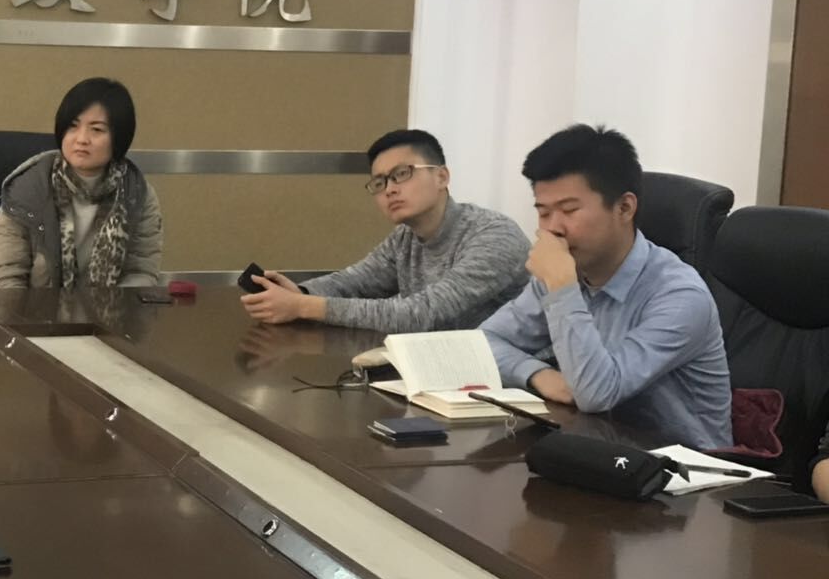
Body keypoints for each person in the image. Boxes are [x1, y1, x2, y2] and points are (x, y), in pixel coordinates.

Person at [480, 124, 731, 450]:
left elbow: (597, 393)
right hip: (598, 448)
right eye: (543, 213)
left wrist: (561, 288)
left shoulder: (680, 295)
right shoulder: (566, 271)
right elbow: (482, 343)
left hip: (684, 468)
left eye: (569, 210)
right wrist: (536, 374)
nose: (553, 228)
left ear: (625, 208)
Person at [241, 129, 529, 331]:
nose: (390, 189)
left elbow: (424, 314)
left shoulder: (494, 235)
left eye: (402, 174)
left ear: (441, 176)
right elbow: (355, 281)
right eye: (380, 183)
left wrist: (303, 306)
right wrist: (300, 291)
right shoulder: (405, 238)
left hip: (512, 383)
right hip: (441, 371)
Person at [0, 77, 163, 289]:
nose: (82, 139)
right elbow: (5, 278)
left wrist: (112, 308)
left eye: (97, 129)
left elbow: (140, 273)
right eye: (73, 126)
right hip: (30, 307)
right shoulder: (27, 189)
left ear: (119, 138)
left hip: (109, 309)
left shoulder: (137, 194)